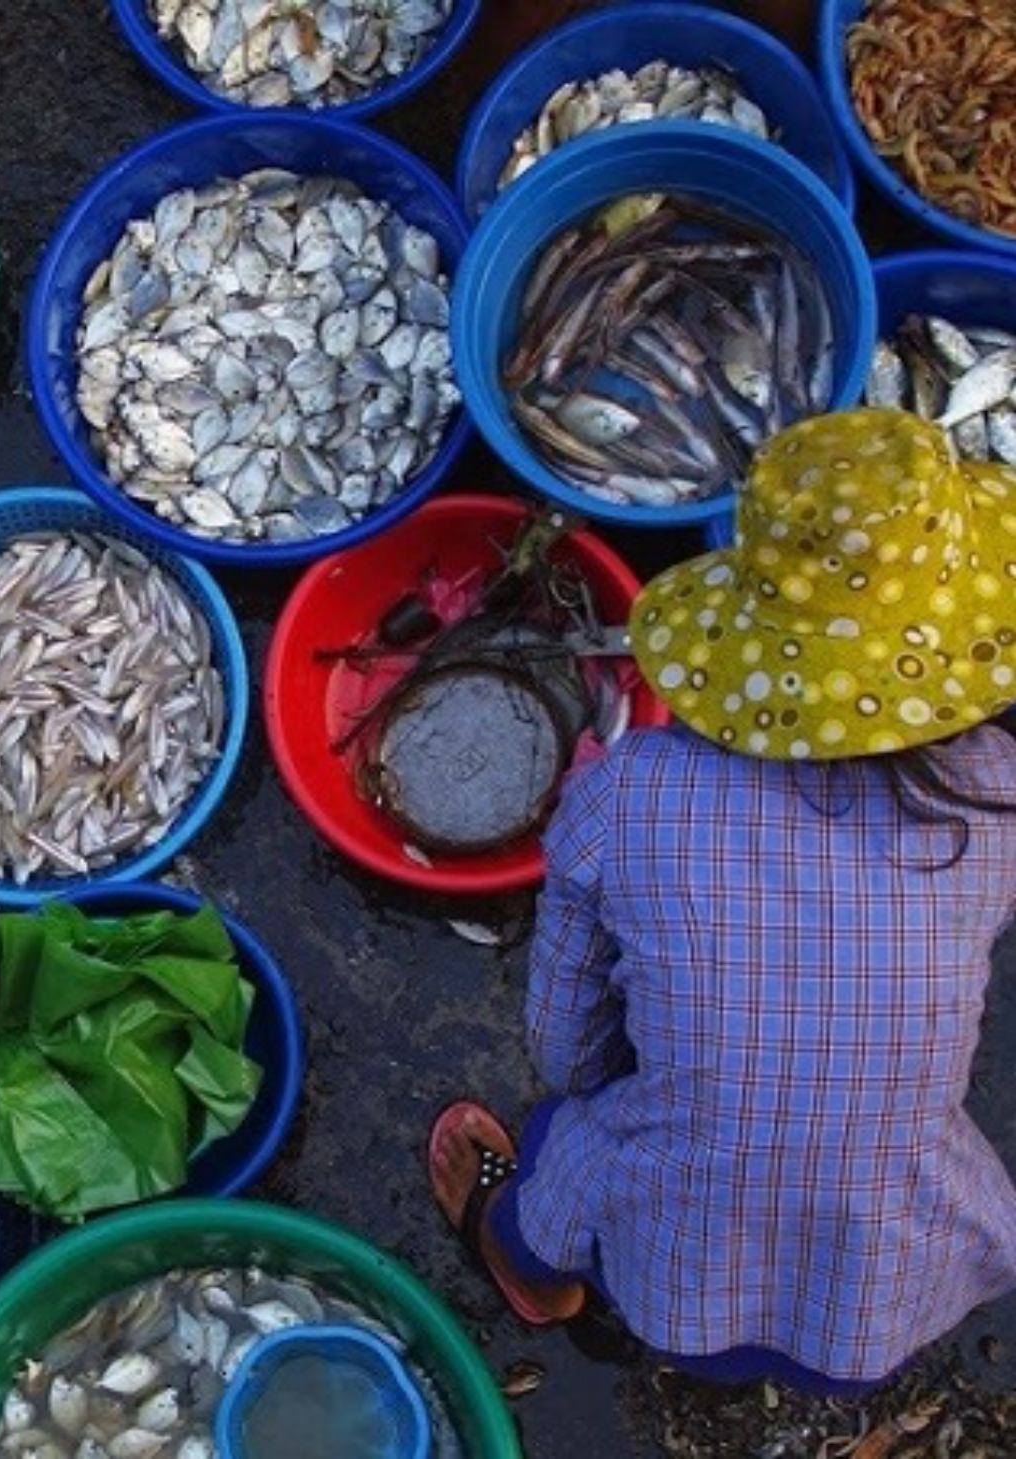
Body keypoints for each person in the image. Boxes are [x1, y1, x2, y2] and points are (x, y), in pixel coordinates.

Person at [427, 410, 1016, 1395]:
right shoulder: (996, 795)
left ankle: (533, 1276)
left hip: (667, 1256)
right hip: (876, 1284)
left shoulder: (630, 790)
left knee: (560, 1157)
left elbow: (567, 1054)